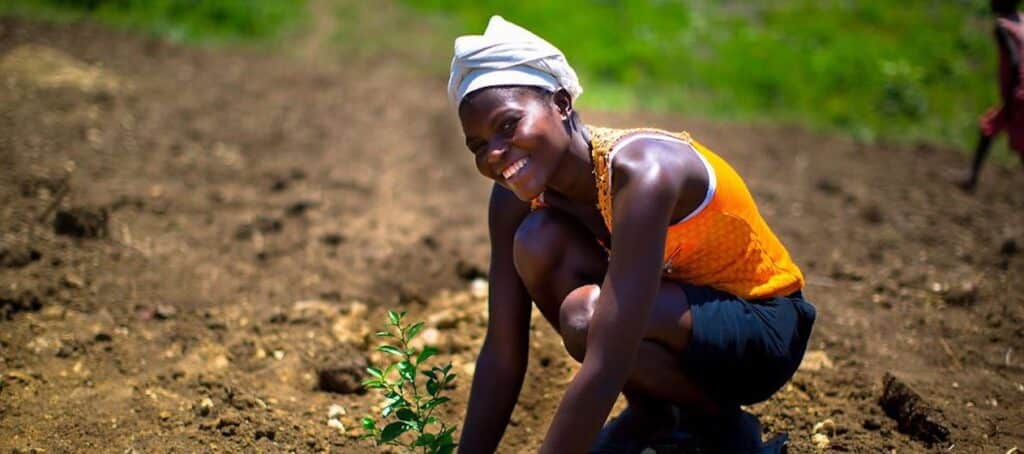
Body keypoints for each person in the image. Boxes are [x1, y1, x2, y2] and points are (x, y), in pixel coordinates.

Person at [450, 16, 815, 454]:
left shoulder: (644, 173)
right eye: (477, 145)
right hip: (670, 315)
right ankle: (655, 418)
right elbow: (503, 351)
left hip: (761, 328)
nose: (494, 153)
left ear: (562, 103)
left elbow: (608, 352)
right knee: (538, 241)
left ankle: (720, 429)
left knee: (588, 318)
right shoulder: (512, 197)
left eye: (508, 126)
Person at [961, 0, 1024, 192]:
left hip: (1018, 94)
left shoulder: (1002, 27)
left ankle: (971, 178)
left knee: (992, 127)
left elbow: (1014, 62)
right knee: (990, 126)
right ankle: (971, 177)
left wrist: (1009, 100)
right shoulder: (1022, 21)